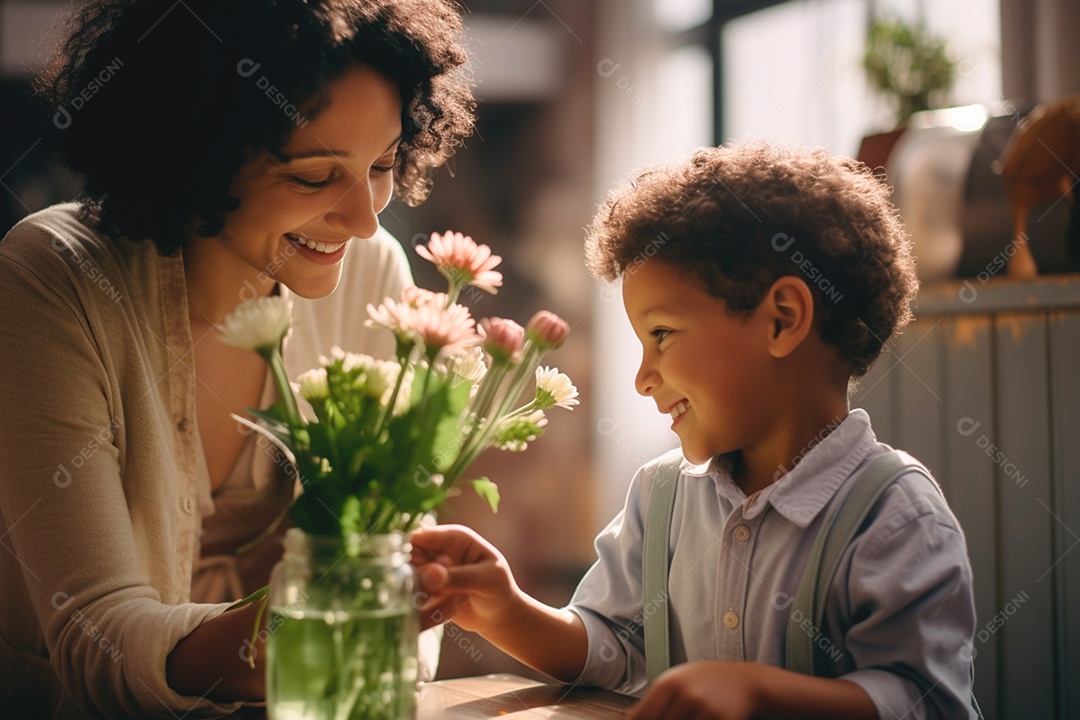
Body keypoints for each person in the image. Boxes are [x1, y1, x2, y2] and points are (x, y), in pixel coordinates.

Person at [0, 0, 473, 717]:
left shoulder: (373, 272)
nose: (365, 218)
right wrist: (320, 632)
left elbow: (392, 562)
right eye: (316, 176)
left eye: (381, 165)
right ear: (197, 155)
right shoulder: (52, 276)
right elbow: (97, 634)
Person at [411, 141, 979, 720]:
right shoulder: (660, 497)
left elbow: (924, 701)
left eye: (661, 334)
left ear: (782, 319)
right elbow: (614, 644)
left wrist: (758, 695)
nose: (642, 379)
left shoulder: (894, 515)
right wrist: (504, 608)